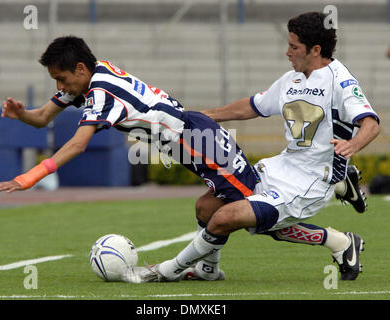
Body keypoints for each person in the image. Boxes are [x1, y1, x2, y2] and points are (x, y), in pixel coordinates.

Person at [127, 11, 380, 284]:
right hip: (282, 166)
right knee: (206, 208)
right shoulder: (290, 80)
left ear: (315, 50)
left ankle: (166, 271)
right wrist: (203, 115)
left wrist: (352, 144)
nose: (287, 52)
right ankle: (208, 270)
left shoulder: (340, 81)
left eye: (294, 47)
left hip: (311, 181)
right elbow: (252, 106)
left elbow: (371, 123)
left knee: (230, 217)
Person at [0, 35, 257, 224]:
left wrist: (29, 177)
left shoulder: (100, 92)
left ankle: (190, 266)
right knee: (209, 209)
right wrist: (21, 114)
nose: (60, 87)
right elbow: (41, 117)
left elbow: (78, 144)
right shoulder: (95, 74)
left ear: (81, 68)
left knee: (253, 211)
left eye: (61, 79)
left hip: (194, 140)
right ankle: (207, 268)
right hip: (187, 139)